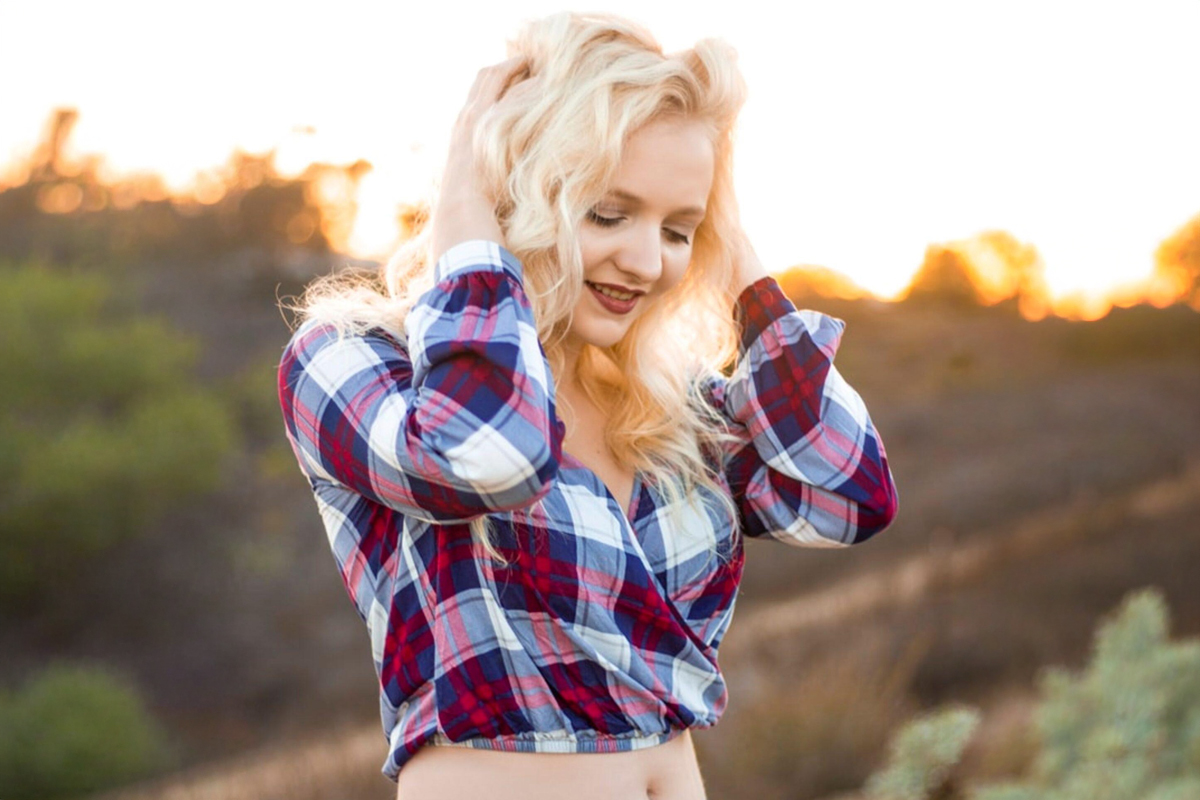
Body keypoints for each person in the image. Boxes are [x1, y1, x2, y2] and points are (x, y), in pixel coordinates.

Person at [277, 11, 899, 800]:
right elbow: (490, 456)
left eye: (678, 228)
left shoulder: (671, 406)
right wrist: (467, 223)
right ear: (512, 189)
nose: (645, 260)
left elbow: (846, 496)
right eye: (608, 213)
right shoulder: (355, 359)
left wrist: (733, 250)